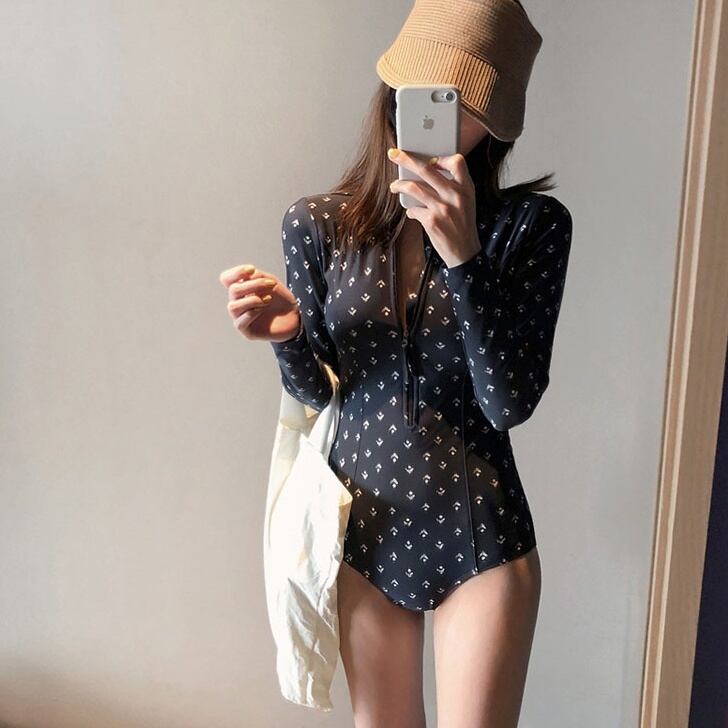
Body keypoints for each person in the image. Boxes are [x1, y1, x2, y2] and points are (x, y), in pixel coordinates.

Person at [220, 0, 573, 725]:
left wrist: (464, 255)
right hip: (363, 534)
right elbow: (320, 395)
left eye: (466, 103)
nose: (440, 112)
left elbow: (508, 403)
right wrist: (287, 336)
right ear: (394, 90)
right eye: (425, 89)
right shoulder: (317, 225)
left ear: (494, 123)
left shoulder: (532, 228)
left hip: (483, 536)